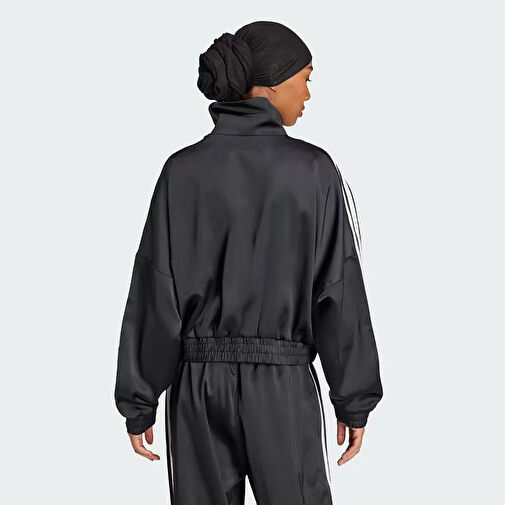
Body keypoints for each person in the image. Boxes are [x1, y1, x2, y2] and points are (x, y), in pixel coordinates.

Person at [114, 20, 383, 505]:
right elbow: (338, 291)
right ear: (272, 83)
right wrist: (353, 398)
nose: (308, 94)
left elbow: (155, 291)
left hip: (197, 391)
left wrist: (140, 399)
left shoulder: (181, 171)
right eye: (305, 78)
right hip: (281, 388)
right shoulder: (314, 170)